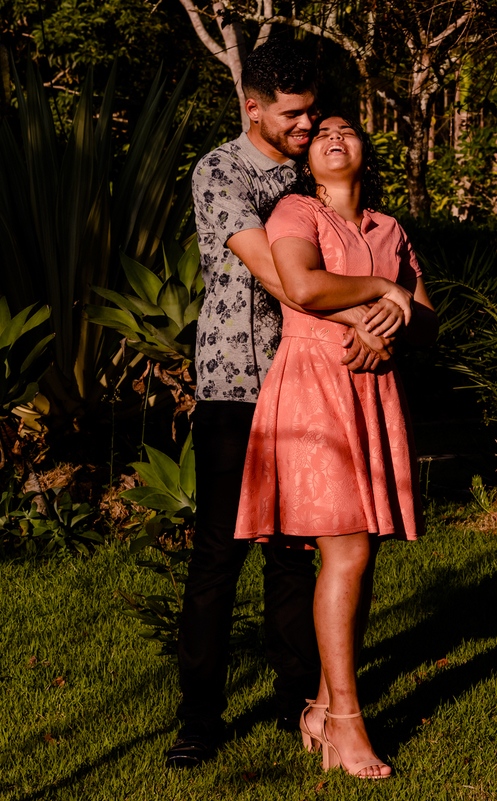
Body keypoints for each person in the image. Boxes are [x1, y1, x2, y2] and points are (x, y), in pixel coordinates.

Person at [168, 40, 395, 769]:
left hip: (312, 383)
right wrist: (368, 312)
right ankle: (199, 718)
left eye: (312, 113)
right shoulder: (220, 171)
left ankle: (305, 698)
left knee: (302, 552)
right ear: (253, 107)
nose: (307, 127)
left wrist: (384, 309)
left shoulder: (313, 177)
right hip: (239, 379)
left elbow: (365, 257)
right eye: (293, 116)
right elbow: (281, 275)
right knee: (220, 555)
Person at [233, 112, 437, 780]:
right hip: (314, 385)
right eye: (320, 133)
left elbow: (425, 316)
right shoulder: (295, 211)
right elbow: (303, 285)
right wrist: (383, 293)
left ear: (364, 150)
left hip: (374, 390)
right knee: (345, 547)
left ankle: (322, 706)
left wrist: (393, 329)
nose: (332, 137)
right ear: (309, 159)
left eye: (346, 129)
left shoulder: (390, 228)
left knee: (363, 550)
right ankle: (347, 723)